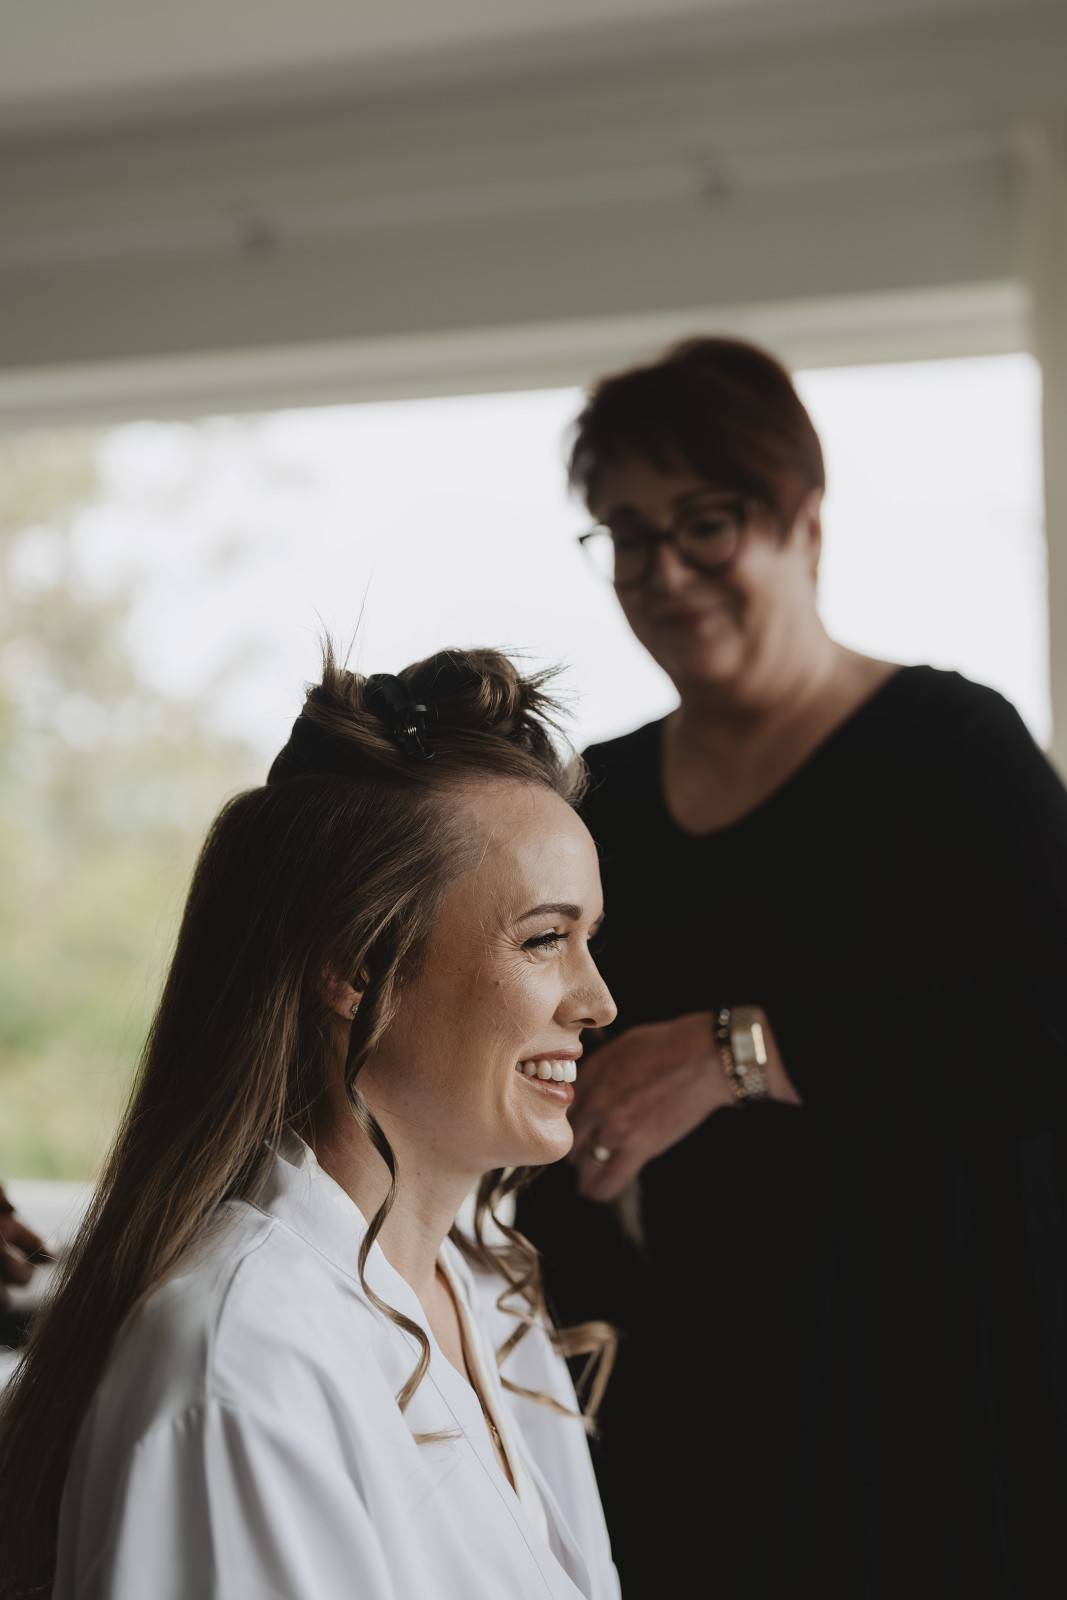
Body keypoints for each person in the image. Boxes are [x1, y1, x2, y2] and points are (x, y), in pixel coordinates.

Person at [517, 337, 1067, 1599]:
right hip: (683, 1398)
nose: (664, 571)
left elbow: (1048, 1015)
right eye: (626, 535)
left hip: (936, 1398)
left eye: (706, 523)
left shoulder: (950, 748)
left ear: (803, 522)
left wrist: (736, 1052)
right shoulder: (599, 800)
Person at [0, 647, 620, 1600]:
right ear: (357, 968)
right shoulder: (242, 1364)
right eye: (544, 939)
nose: (597, 1002)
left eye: (588, 940)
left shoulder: (489, 1298)